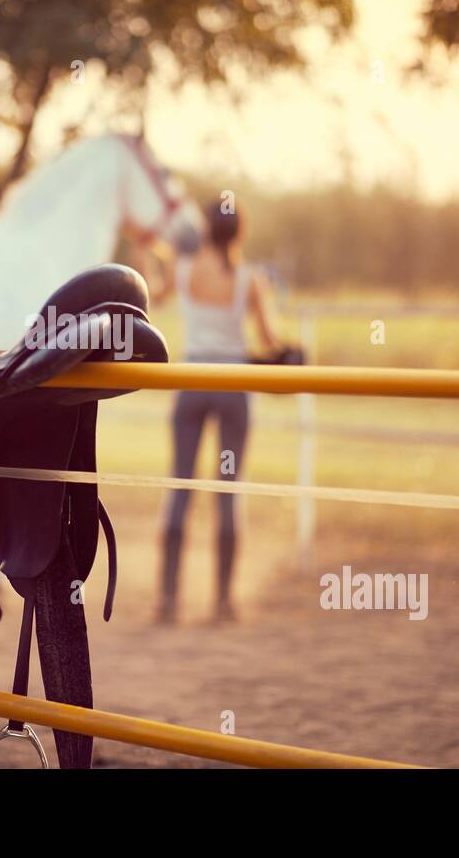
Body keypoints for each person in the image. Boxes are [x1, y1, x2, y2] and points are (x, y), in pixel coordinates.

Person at [150, 202, 284, 624]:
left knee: (180, 485)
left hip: (192, 384)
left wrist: (143, 252)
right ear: (239, 234)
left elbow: (152, 293)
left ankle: (169, 600)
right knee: (228, 489)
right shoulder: (250, 279)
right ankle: (223, 601)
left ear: (206, 228)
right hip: (233, 387)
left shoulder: (184, 269)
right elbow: (270, 341)